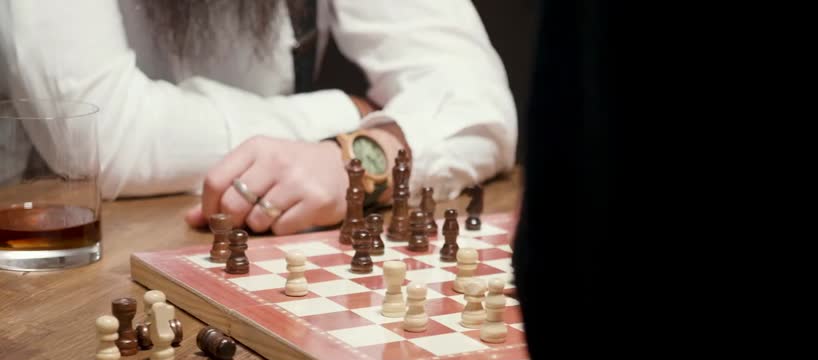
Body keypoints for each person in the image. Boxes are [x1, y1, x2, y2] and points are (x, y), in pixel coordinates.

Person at [0, 0, 516, 234]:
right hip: (47, 264)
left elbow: (475, 97)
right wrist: (347, 113)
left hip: (259, 241)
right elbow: (100, 135)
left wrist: (354, 160)